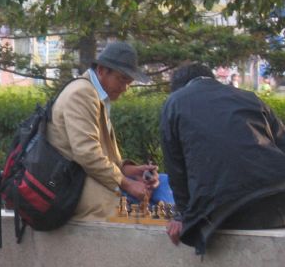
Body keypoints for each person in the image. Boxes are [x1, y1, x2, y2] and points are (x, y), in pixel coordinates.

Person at [161, 63, 285, 254]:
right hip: (278, 193)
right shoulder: (250, 97)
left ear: (178, 88)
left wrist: (183, 215)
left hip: (224, 206)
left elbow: (176, 168)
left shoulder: (175, 102)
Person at [46, 42, 159, 222]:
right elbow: (87, 154)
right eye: (121, 79)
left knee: (157, 196)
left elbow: (100, 154)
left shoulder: (95, 93)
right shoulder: (82, 93)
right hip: (68, 184)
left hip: (81, 176)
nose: (125, 87)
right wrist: (127, 183)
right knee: (130, 215)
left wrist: (130, 170)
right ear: (101, 70)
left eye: (129, 82)